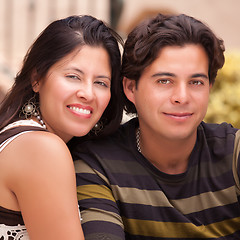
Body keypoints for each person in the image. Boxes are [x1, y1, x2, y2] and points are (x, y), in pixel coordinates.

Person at [0, 15, 123, 240]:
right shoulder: (41, 149)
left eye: (101, 83)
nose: (88, 93)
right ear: (37, 78)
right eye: (73, 76)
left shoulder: (19, 136)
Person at [73, 13, 240, 239]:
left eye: (196, 82)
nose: (182, 97)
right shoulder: (96, 165)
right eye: (164, 81)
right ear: (131, 88)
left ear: (209, 87)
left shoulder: (234, 153)